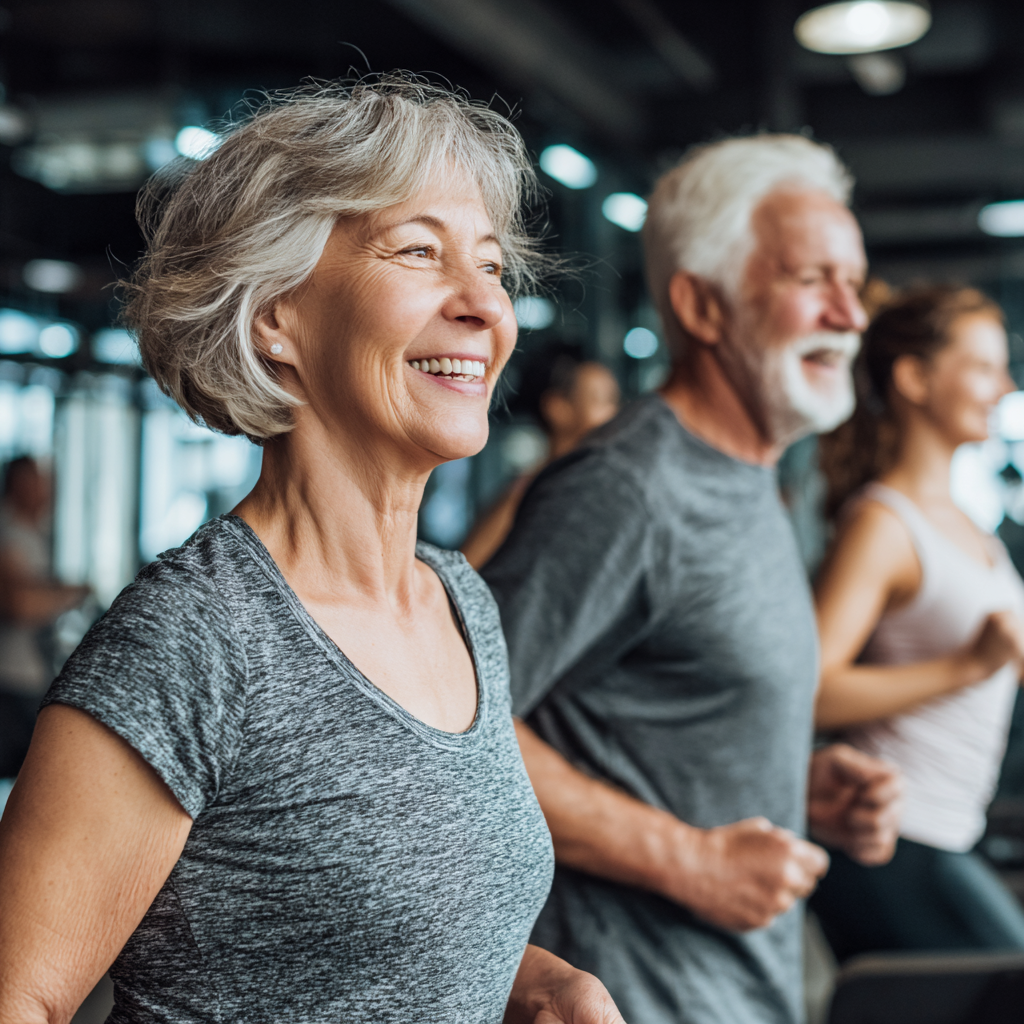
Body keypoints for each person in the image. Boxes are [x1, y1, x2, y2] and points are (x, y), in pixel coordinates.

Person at [0, 80, 624, 1024]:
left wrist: (535, 983)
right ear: (275, 319)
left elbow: (359, 938)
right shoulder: (193, 640)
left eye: (492, 268)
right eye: (420, 252)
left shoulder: (459, 604)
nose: (484, 307)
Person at [482, 134, 903, 1024]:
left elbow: (655, 713)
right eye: (811, 280)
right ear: (702, 308)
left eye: (852, 281)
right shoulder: (626, 488)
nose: (849, 313)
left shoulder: (757, 474)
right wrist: (688, 860)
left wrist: (792, 783)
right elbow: (454, 730)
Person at [811, 285, 1024, 959]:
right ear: (914, 379)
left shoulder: (972, 529)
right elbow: (811, 690)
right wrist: (966, 666)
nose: (1005, 386)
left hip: (951, 829)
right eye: (985, 366)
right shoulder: (882, 522)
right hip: (889, 836)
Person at [462, 345, 620, 568]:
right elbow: (464, 572)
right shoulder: (523, 497)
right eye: (601, 400)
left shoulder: (592, 488)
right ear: (557, 408)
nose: (614, 415)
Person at [0, 456, 88, 779]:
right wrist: (69, 595)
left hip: (32, 677)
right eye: (38, 482)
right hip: (11, 680)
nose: (47, 490)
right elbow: (19, 603)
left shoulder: (33, 532)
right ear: (19, 484)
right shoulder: (8, 530)